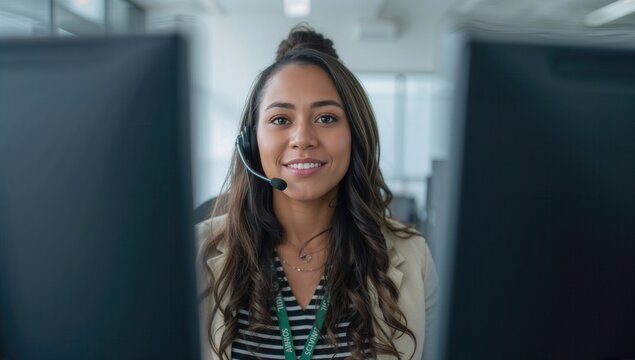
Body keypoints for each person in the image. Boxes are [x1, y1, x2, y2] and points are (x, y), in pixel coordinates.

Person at [197, 25, 438, 360]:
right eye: (280, 120)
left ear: (356, 134)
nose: (302, 138)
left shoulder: (414, 258)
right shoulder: (193, 253)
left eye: (326, 118)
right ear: (250, 143)